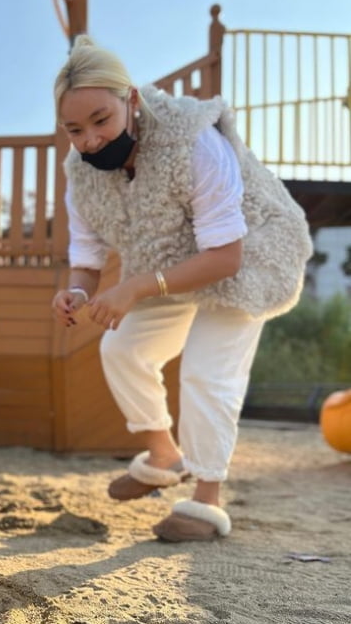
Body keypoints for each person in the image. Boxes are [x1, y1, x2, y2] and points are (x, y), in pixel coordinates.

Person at [52, 36, 312, 543]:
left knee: (207, 371)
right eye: (75, 129)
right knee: (122, 347)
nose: (89, 140)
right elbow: (86, 259)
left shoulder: (193, 143)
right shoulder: (79, 175)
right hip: (171, 262)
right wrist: (77, 293)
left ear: (131, 100)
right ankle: (164, 455)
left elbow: (226, 257)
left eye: (101, 120)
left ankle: (207, 498)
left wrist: (134, 289)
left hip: (252, 252)